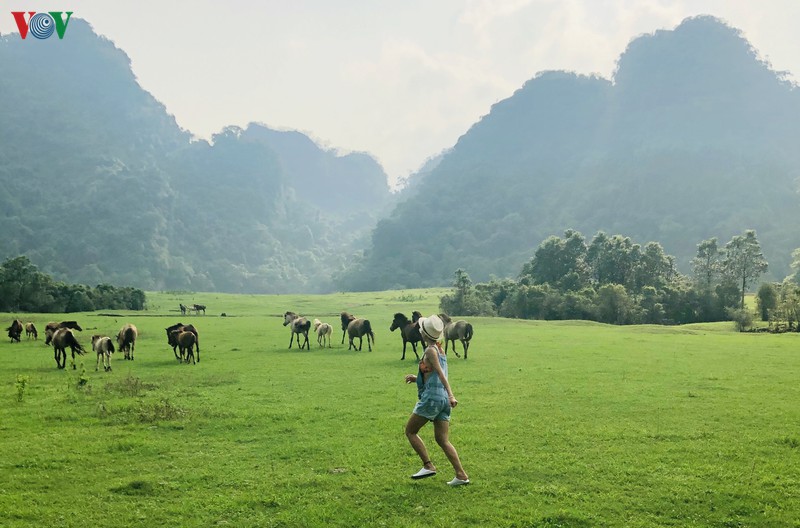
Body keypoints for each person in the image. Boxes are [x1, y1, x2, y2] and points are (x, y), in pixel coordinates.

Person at [404, 314, 470, 486]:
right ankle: (461, 475)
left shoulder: (430, 351)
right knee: (442, 440)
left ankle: (428, 465)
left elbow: (441, 375)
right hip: (442, 402)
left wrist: (452, 394)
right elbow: (432, 373)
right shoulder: (440, 350)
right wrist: (416, 378)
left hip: (433, 399)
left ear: (424, 333)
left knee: (410, 431)